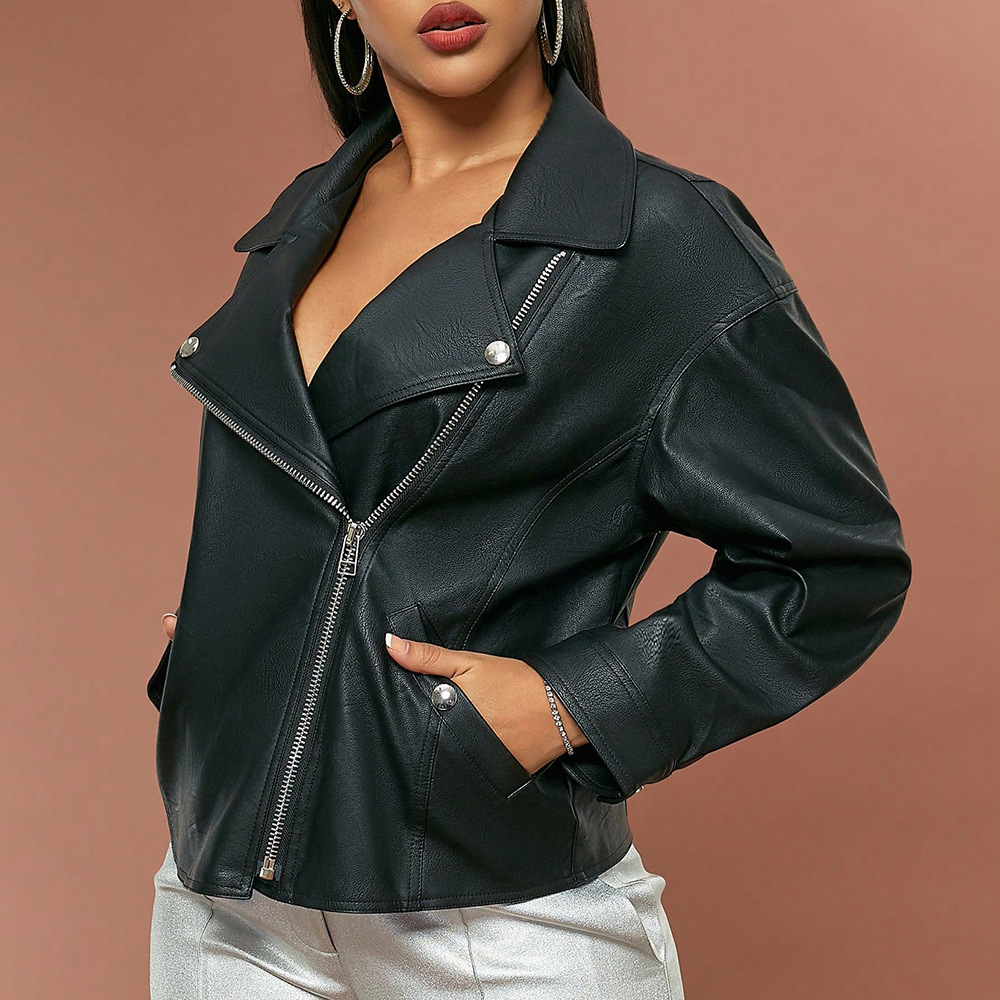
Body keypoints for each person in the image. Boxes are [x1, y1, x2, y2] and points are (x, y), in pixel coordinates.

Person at [147, 1, 912, 997]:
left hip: (497, 918)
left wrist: (568, 703)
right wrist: (229, 640)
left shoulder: (657, 235)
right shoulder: (303, 221)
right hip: (225, 904)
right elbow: (338, 515)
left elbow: (836, 564)